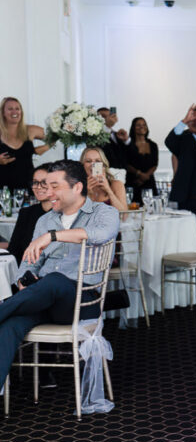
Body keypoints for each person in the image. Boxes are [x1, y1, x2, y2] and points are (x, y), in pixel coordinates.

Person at [0, 160, 118, 392]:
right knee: (10, 325)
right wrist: (26, 279)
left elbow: (100, 234)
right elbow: (28, 264)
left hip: (82, 301)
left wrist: (52, 237)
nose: (48, 192)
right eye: (45, 185)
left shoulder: (104, 213)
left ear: (77, 187)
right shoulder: (45, 220)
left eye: (55, 186)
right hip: (43, 299)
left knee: (55, 280)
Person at [0, 97, 50, 190]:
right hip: (3, 189)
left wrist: (41, 149)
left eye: (17, 109)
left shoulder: (30, 130)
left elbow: (55, 136)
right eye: (10, 109)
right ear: (3, 113)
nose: (14, 112)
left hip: (28, 186)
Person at [5, 164, 52, 263]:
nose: (38, 187)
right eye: (35, 182)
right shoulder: (26, 213)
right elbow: (14, 250)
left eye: (44, 182)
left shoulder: (65, 213)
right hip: (25, 270)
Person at [81, 147, 129, 212]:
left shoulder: (116, 184)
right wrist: (87, 193)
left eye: (97, 161)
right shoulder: (77, 186)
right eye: (88, 161)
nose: (93, 164)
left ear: (103, 165)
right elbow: (77, 217)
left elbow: (124, 216)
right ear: (82, 165)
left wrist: (108, 190)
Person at [124, 117, 159, 202]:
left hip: (149, 181)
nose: (141, 127)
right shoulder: (128, 144)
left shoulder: (153, 145)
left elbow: (155, 164)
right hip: (133, 181)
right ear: (133, 128)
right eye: (138, 125)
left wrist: (146, 176)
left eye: (144, 125)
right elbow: (125, 163)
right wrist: (139, 174)